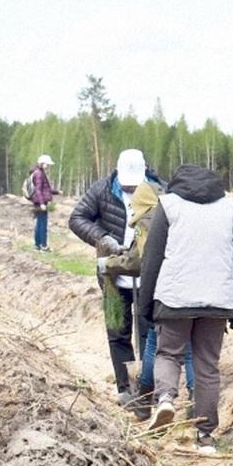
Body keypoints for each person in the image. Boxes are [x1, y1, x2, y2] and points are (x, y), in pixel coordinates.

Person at [137, 164, 233, 453]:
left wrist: (145, 305)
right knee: (207, 366)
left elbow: (152, 258)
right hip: (218, 299)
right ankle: (206, 437)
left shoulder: (169, 204)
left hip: (175, 297)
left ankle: (165, 399)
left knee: (168, 354)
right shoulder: (230, 208)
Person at [69, 149, 163, 408]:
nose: (131, 189)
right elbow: (77, 218)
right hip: (112, 273)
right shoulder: (102, 190)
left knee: (148, 333)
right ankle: (125, 387)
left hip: (148, 275)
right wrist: (102, 238)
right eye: (126, 184)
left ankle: (147, 389)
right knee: (118, 332)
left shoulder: (159, 191)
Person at [99, 180, 196, 420]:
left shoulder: (147, 221)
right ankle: (197, 404)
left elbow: (138, 261)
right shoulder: (180, 214)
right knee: (191, 348)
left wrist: (109, 264)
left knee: (155, 344)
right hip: (192, 288)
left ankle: (147, 401)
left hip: (161, 293)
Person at [29, 155, 59, 251]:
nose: (48, 166)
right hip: (40, 202)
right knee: (43, 224)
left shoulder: (39, 173)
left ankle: (37, 245)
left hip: (38, 201)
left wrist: (56, 192)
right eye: (47, 164)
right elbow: (38, 190)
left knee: (39, 223)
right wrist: (42, 203)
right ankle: (43, 245)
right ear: (42, 163)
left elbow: (45, 189)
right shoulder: (39, 174)